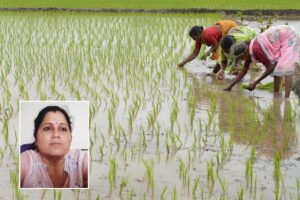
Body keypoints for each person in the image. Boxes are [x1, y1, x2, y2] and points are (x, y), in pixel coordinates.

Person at [222, 25, 300, 98]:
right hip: (280, 35)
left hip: (289, 35)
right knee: (278, 71)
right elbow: (244, 70)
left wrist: (255, 82)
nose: (242, 60)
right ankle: (276, 95)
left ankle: (286, 99)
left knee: (287, 68)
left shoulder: (256, 50)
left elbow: (271, 67)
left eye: (242, 58)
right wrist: (229, 87)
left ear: (245, 52)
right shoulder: (249, 50)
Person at [20, 106, 88, 188]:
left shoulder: (82, 160)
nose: (56, 135)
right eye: (47, 128)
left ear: (71, 139)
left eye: (63, 129)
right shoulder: (25, 161)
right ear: (36, 139)